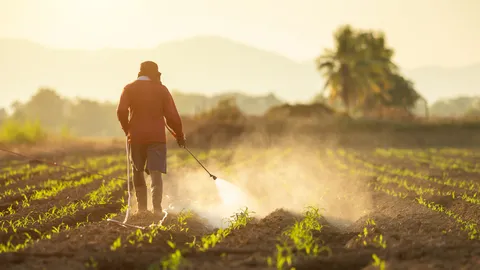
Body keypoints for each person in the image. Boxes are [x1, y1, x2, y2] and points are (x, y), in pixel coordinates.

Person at [116, 60, 186, 217]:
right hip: (157, 138)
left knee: (137, 170)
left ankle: (141, 209)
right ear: (155, 74)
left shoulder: (129, 88)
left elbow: (121, 111)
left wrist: (127, 129)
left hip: (136, 137)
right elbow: (172, 116)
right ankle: (157, 209)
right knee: (156, 173)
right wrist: (179, 135)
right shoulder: (161, 90)